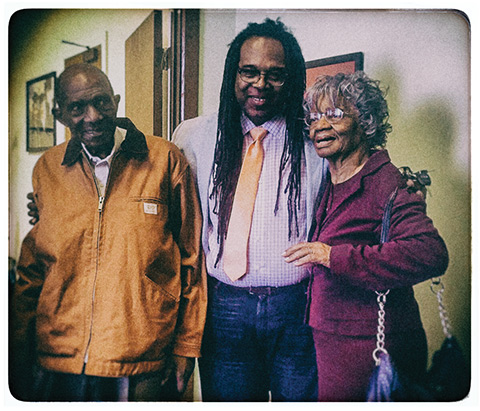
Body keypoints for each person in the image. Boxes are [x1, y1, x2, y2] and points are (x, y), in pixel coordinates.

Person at [10, 63, 207, 402]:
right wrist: (18, 349)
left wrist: (186, 347)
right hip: (59, 357)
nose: (93, 116)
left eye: (101, 102)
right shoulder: (48, 168)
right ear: (59, 114)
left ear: (115, 101)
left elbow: (192, 260)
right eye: (77, 108)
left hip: (140, 357)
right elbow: (33, 269)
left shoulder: (164, 160)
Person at [172, 18, 325, 401]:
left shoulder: (315, 141)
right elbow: (162, 194)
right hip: (224, 309)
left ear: (291, 80)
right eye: (249, 71)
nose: (260, 84)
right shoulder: (194, 136)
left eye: (275, 75)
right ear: (233, 74)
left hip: (298, 310)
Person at [283, 71, 449, 401]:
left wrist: (332, 255)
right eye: (314, 117)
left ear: (366, 121)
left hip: (370, 346)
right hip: (331, 339)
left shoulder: (385, 182)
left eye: (334, 114)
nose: (319, 126)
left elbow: (431, 253)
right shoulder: (330, 180)